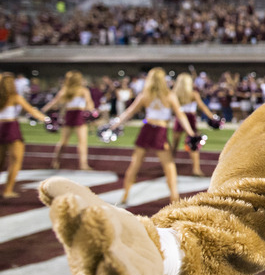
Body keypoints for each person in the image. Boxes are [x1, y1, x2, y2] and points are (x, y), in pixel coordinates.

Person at [109, 67, 197, 204]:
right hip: (160, 131)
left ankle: (125, 194)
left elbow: (129, 112)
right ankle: (175, 197)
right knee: (169, 165)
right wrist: (191, 132)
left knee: (135, 164)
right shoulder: (169, 95)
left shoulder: (145, 95)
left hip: (146, 129)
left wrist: (114, 125)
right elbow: (181, 116)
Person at [0, 73, 49, 198]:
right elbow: (32, 111)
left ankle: (7, 190)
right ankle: (8, 190)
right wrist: (47, 119)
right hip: (11, 128)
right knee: (15, 160)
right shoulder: (15, 97)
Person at [41, 70, 96, 170]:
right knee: (82, 142)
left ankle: (56, 162)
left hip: (69, 115)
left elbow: (54, 102)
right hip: (79, 115)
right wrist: (93, 112)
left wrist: (42, 110)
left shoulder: (65, 90)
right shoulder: (83, 90)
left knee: (63, 142)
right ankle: (83, 165)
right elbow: (89, 103)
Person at [171, 72, 214, 177]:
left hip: (179, 117)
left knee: (174, 145)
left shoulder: (174, 94)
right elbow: (202, 106)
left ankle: (169, 167)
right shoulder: (193, 94)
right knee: (194, 144)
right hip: (190, 118)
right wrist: (212, 117)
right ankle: (196, 169)